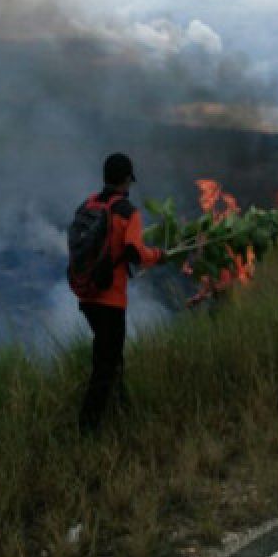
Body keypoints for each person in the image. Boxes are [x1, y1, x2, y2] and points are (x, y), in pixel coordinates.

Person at [68, 153, 163, 434]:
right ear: (126, 180)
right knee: (105, 365)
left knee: (111, 356)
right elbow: (135, 252)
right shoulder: (127, 212)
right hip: (110, 299)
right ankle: (87, 428)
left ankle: (122, 408)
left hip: (86, 295)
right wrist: (158, 255)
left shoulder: (88, 204)